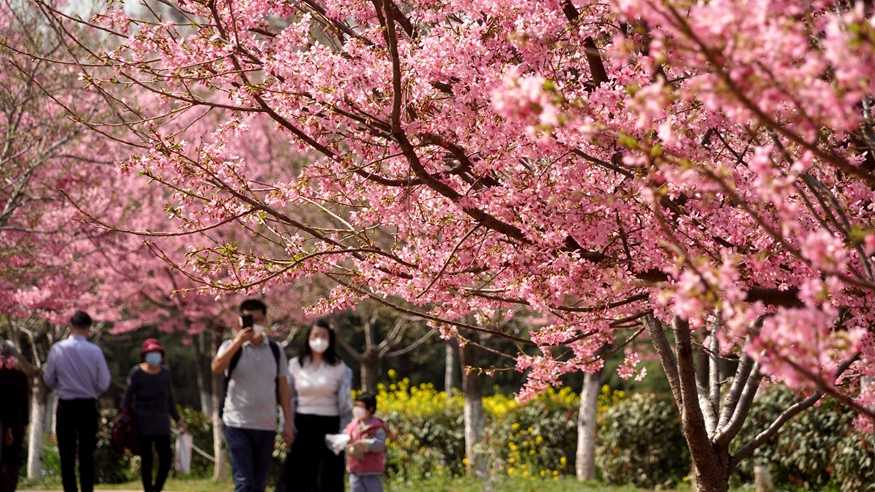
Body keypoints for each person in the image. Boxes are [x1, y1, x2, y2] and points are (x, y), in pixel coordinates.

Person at [212, 299, 293, 492]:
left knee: (259, 483)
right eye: (249, 318)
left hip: (266, 425)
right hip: (236, 423)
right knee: (244, 482)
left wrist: (288, 422)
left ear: (265, 320)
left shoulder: (275, 350)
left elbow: (283, 387)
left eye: (258, 319)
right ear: (240, 320)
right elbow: (216, 368)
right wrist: (238, 342)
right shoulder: (229, 346)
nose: (254, 323)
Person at [282, 319, 353, 492]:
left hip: (331, 425)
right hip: (302, 424)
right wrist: (287, 425)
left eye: (324, 336)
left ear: (330, 340)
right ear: (308, 338)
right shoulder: (294, 365)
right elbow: (288, 398)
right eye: (315, 335)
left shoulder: (340, 367)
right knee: (300, 475)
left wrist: (345, 433)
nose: (319, 339)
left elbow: (346, 403)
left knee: (330, 476)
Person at [43, 310, 111, 492]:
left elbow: (48, 379)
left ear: (70, 326)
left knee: (67, 455)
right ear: (89, 328)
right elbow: (104, 382)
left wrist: (61, 385)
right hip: (88, 405)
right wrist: (92, 390)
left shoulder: (58, 349)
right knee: (87, 454)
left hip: (66, 406)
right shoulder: (95, 351)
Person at [122, 338, 184, 492]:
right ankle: (148, 489)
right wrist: (125, 418)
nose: (154, 356)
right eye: (150, 353)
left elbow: (170, 398)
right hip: (142, 422)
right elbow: (127, 398)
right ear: (144, 355)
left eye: (156, 353)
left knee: (166, 458)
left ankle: (157, 488)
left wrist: (177, 418)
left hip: (162, 422)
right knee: (147, 459)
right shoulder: (136, 373)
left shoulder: (165, 373)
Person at [0, 341, 29, 492]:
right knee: (12, 462)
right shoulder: (20, 377)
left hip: (5, 423)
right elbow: (24, 405)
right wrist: (24, 424)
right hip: (16, 424)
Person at [344, 393, 387, 492]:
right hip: (355, 472)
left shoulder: (377, 426)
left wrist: (365, 445)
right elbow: (346, 441)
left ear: (370, 409)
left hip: (372, 473)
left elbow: (380, 445)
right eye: (356, 406)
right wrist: (350, 448)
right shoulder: (352, 425)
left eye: (360, 406)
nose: (356, 409)